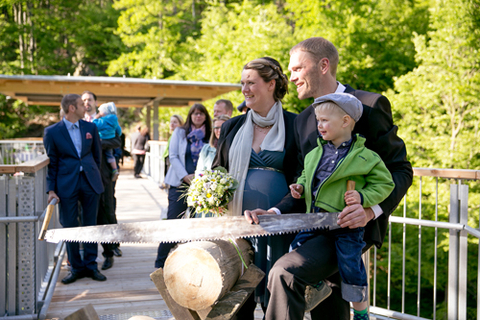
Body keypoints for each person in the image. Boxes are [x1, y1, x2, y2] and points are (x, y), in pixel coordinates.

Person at [257, 37, 413, 320]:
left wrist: (369, 210)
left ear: (323, 65)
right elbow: (301, 181)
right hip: (313, 227)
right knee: (330, 308)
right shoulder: (303, 121)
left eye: (297, 69)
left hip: (353, 228)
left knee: (285, 272)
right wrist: (275, 211)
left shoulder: (369, 105)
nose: (290, 78)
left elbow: (400, 170)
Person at [289, 93, 395, 320]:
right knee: (295, 249)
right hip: (316, 219)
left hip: (346, 223)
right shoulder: (315, 152)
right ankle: (317, 286)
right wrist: (299, 186)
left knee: (350, 265)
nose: (319, 125)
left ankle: (361, 312)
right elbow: (307, 176)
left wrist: (363, 197)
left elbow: (386, 183)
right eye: (318, 120)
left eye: (325, 120)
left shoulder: (366, 157)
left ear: (346, 121)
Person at [212, 57, 301, 319]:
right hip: (238, 226)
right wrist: (212, 194)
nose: (244, 90)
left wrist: (276, 211)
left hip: (278, 226)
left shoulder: (296, 125)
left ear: (271, 84)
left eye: (251, 83)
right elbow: (218, 170)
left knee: (277, 298)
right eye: (242, 83)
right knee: (239, 299)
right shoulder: (232, 127)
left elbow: (302, 179)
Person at [43, 94, 106, 284]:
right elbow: (52, 163)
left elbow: (97, 156)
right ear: (71, 108)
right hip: (66, 184)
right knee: (69, 225)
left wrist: (94, 175)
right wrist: (51, 190)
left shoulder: (91, 127)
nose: (85, 107)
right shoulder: (52, 132)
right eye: (80, 104)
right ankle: (76, 268)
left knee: (90, 224)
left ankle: (91, 265)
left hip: (89, 181)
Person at [155, 103, 212, 268]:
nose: (198, 116)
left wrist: (200, 178)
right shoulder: (180, 132)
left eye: (201, 113)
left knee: (196, 225)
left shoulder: (210, 134)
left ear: (205, 116)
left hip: (202, 186)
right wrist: (185, 176)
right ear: (190, 116)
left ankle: (190, 265)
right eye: (195, 113)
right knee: (173, 222)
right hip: (180, 183)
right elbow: (172, 156)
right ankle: (160, 264)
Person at [82, 91, 122, 270]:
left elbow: (116, 141)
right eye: (83, 100)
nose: (86, 103)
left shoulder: (105, 119)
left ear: (95, 102)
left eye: (89, 99)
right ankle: (87, 257)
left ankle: (110, 250)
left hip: (103, 174)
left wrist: (95, 142)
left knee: (107, 210)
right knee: (87, 214)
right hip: (82, 176)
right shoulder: (79, 122)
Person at [93, 102, 122, 181]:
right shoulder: (114, 120)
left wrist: (95, 118)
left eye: (100, 111)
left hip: (103, 139)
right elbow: (119, 131)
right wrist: (115, 134)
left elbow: (95, 125)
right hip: (111, 140)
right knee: (110, 155)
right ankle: (115, 169)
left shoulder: (102, 120)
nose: (99, 112)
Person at [162, 115, 184, 186]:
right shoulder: (172, 135)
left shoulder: (181, 136)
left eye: (175, 122)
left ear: (180, 124)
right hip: (168, 158)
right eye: (171, 122)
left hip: (173, 161)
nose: (172, 124)